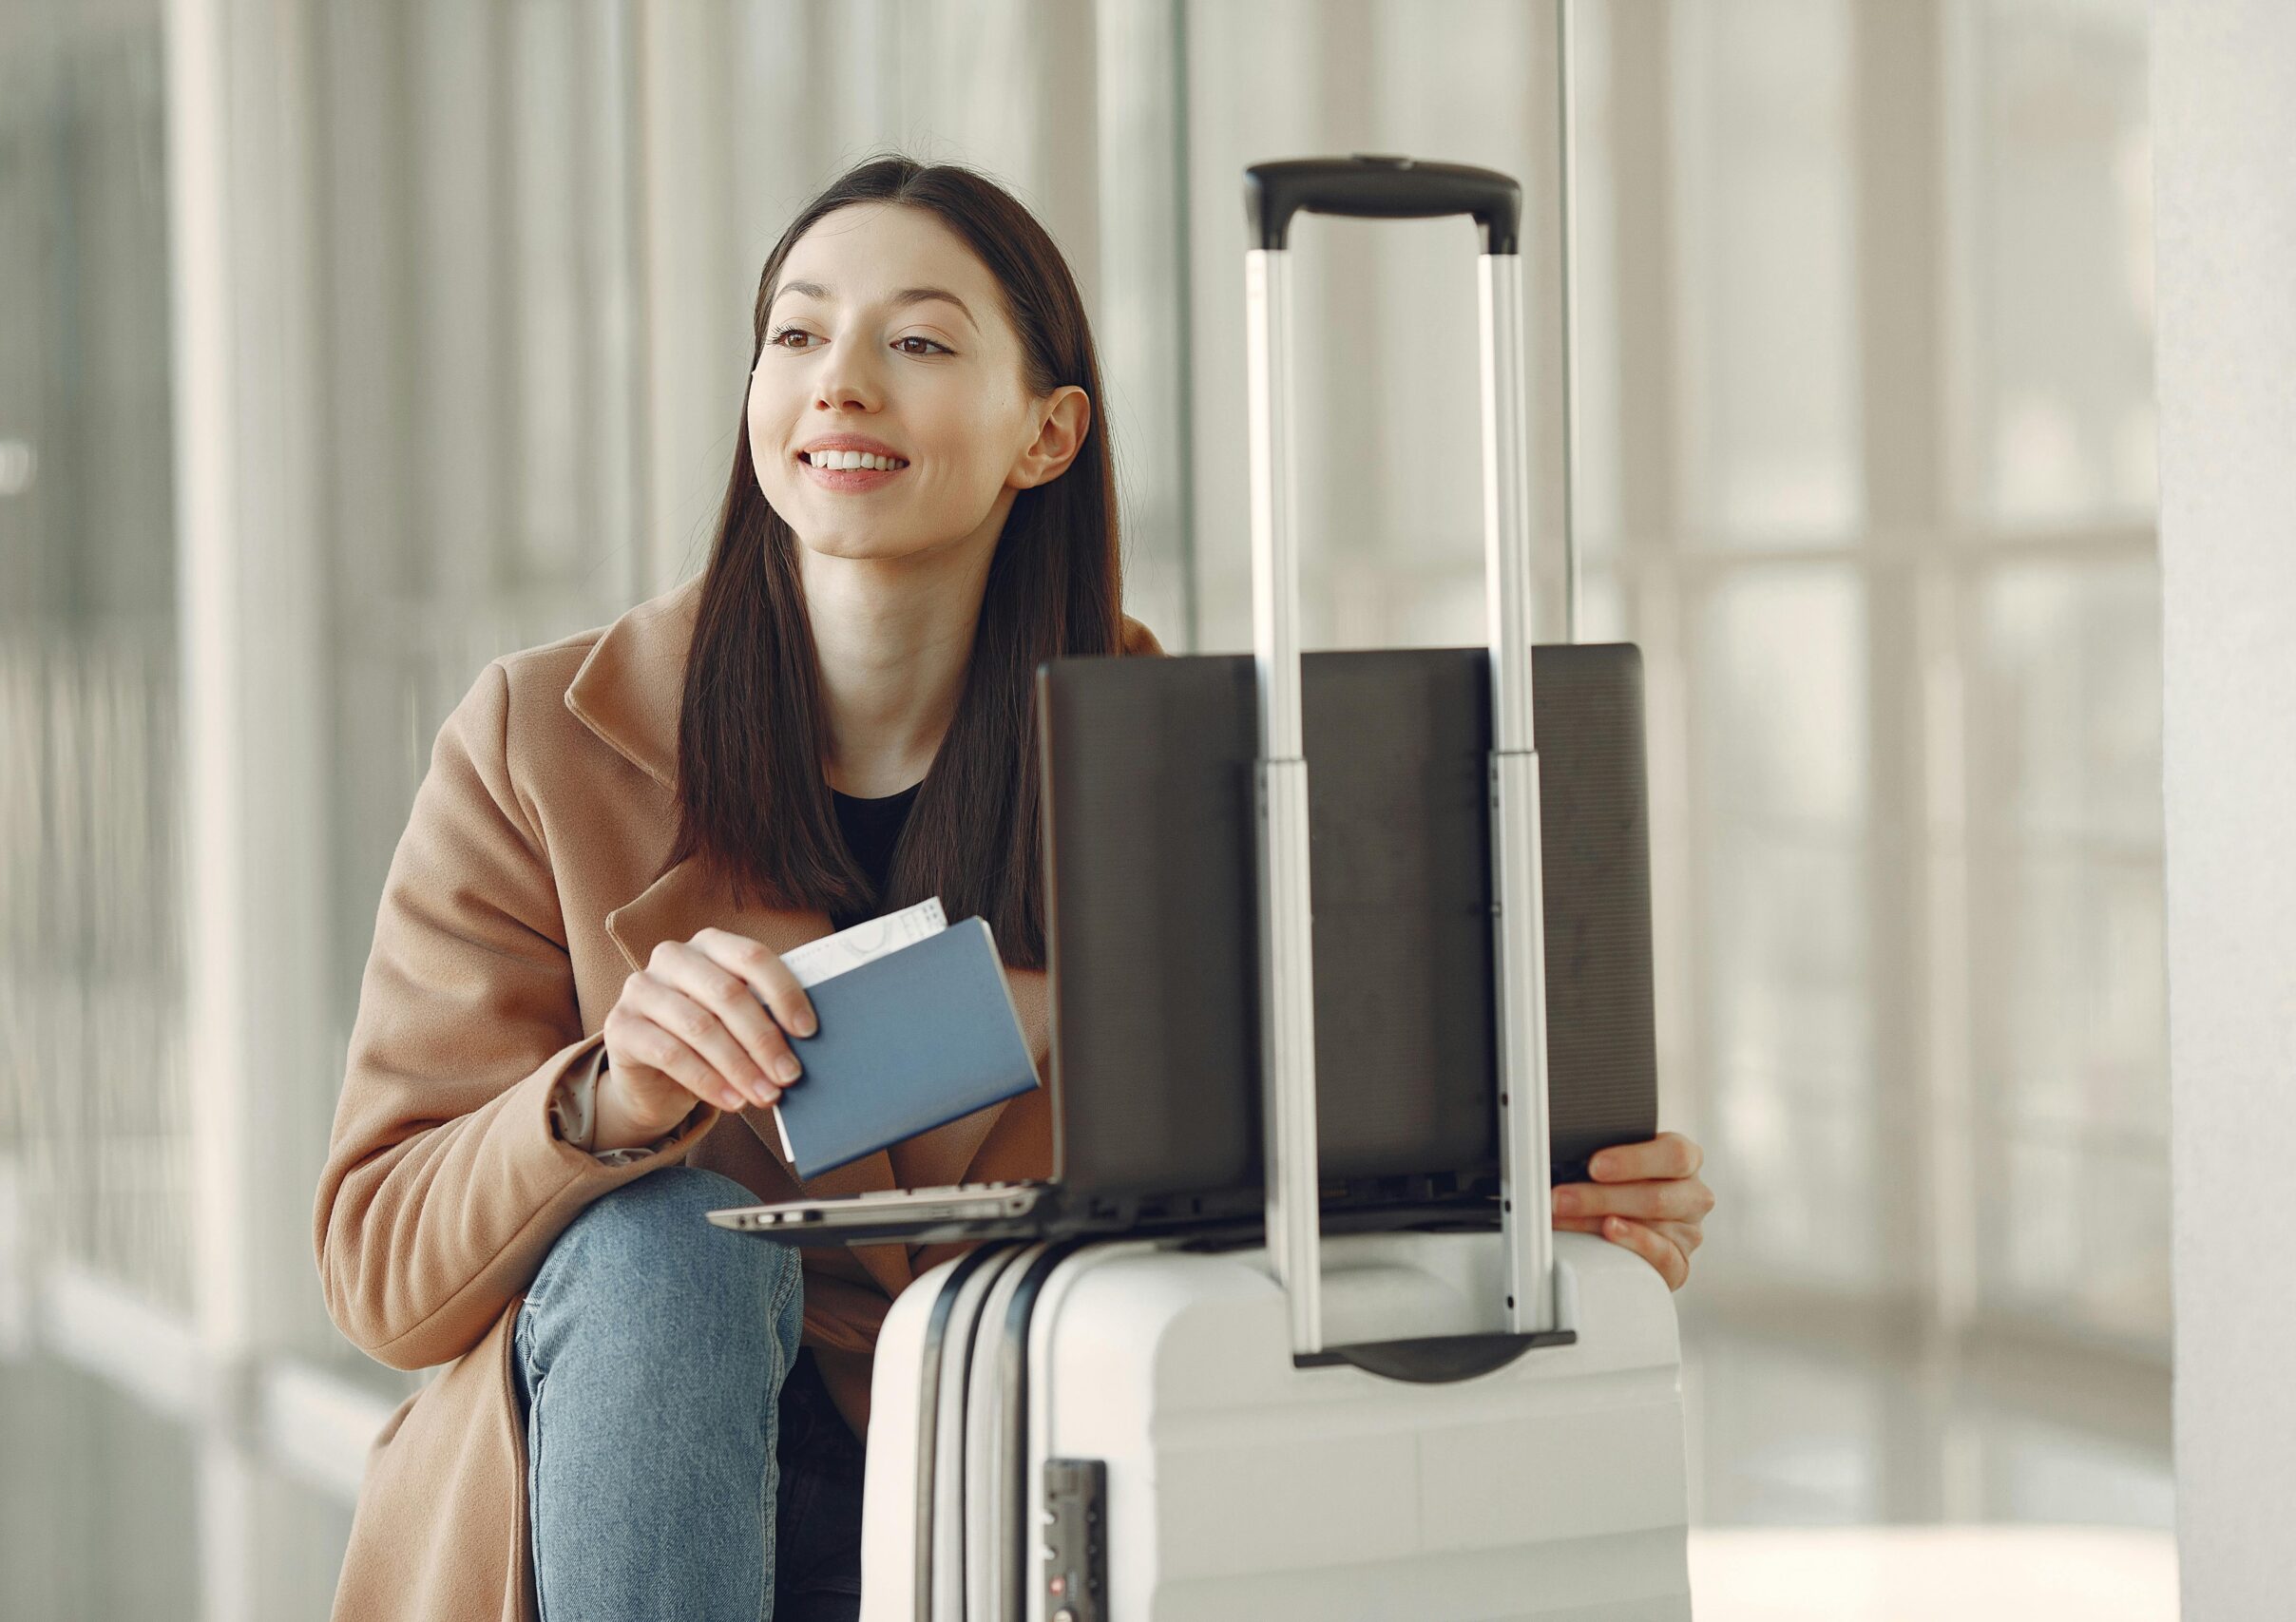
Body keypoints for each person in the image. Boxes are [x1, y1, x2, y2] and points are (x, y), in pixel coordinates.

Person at [312, 154, 1715, 1622]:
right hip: (634, 1500)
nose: (838, 383)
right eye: (796, 335)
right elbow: (379, 1273)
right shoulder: (544, 743)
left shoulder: (1174, 759)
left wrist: (1528, 1209)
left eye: (914, 342)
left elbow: (1273, 1178)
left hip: (991, 1488)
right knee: (670, 1254)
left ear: (1046, 435)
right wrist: (603, 1105)